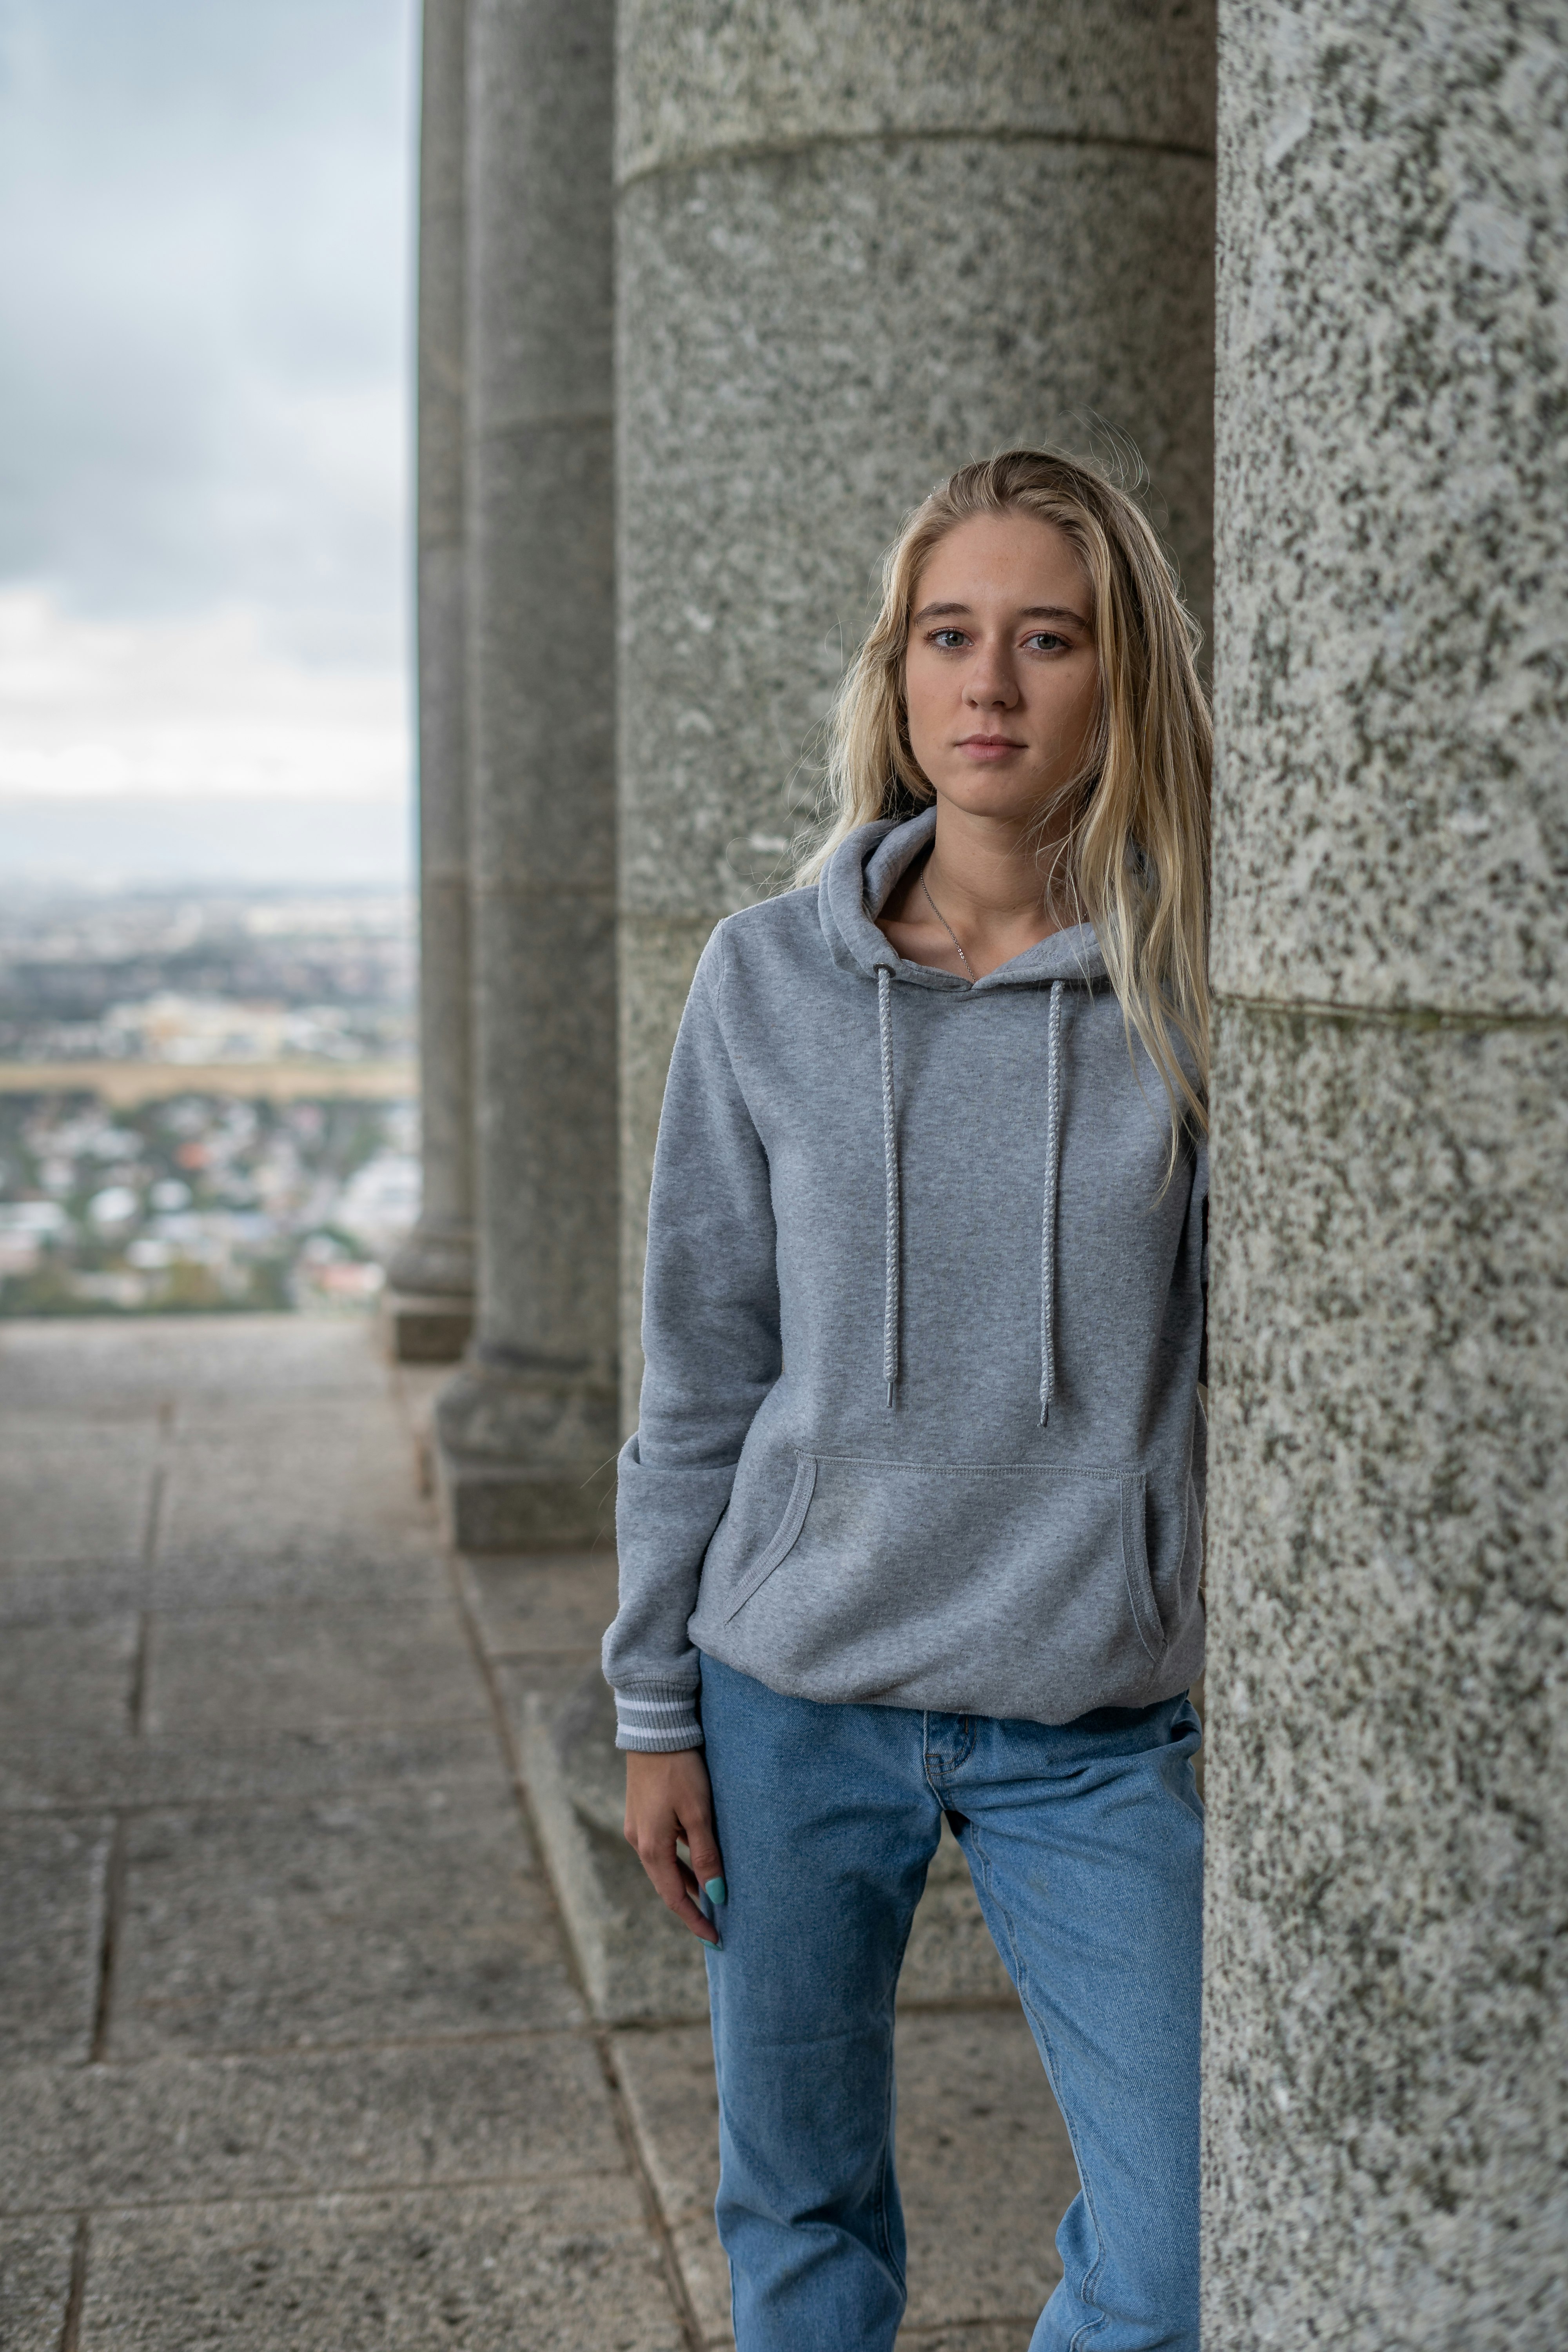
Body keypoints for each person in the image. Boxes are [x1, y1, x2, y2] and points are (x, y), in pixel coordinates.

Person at [603, 447, 1211, 2352]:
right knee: (797, 2214)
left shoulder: (1196, 990)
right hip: (791, 1700)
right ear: (896, 672)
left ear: (1120, 681)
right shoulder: (766, 982)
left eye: (1050, 640)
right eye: (951, 636)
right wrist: (651, 1703)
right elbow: (700, 1364)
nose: (992, 689)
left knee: (1192, 2243)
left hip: (1087, 1716)